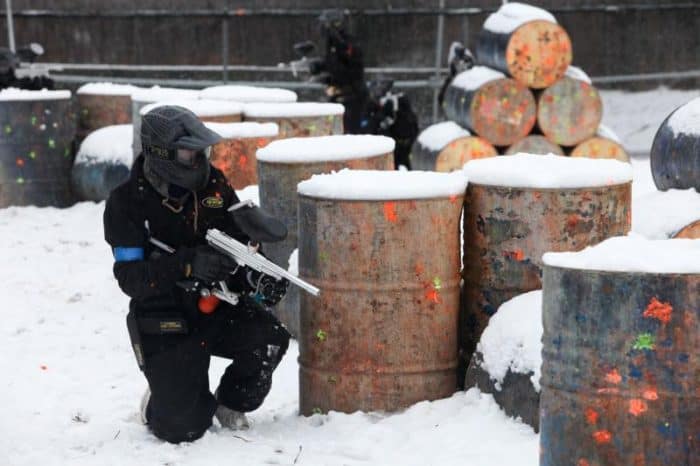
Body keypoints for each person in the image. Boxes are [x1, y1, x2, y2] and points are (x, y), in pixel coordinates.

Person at [103, 105, 291, 443]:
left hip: (215, 306)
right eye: (190, 151)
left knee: (270, 339)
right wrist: (187, 265)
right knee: (183, 427)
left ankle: (231, 404)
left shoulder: (213, 187)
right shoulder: (127, 203)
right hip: (164, 318)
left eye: (200, 150)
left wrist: (257, 279)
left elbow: (241, 247)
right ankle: (159, 404)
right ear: (161, 154)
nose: (199, 158)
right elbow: (130, 279)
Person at [313, 9, 371, 134]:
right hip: (338, 95)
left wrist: (331, 78)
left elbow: (352, 67)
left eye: (326, 26)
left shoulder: (346, 42)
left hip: (352, 96)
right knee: (332, 129)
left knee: (350, 133)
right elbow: (333, 63)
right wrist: (319, 67)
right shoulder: (332, 43)